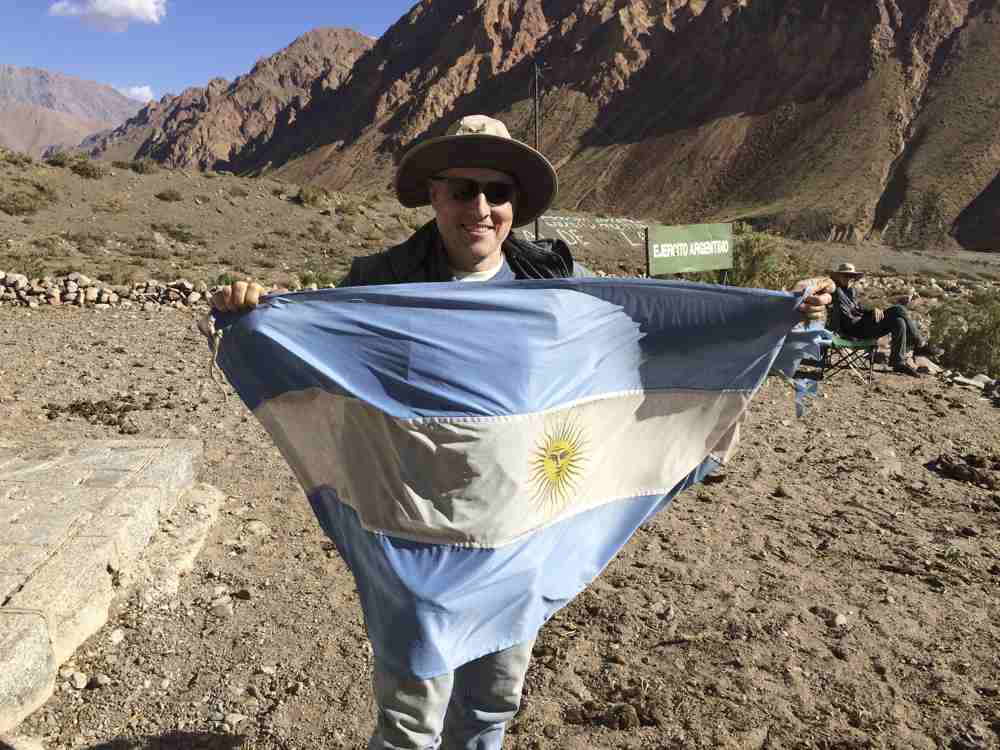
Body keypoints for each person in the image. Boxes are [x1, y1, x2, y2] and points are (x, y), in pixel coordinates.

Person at [212, 114, 834, 750]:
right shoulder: (379, 288)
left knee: (491, 705)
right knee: (410, 721)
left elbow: (650, 337)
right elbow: (321, 357)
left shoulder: (555, 285)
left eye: (497, 193)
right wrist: (254, 319)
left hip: (521, 536)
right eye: (462, 191)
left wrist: (783, 319)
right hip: (416, 538)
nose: (480, 209)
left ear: (515, 204)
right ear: (434, 196)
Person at [828, 261, 931, 377]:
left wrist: (873, 310)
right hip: (852, 329)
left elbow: (858, 309)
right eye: (845, 275)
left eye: (852, 276)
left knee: (899, 322)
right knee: (899, 309)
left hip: (862, 325)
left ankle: (898, 362)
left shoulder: (851, 291)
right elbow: (848, 315)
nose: (849, 278)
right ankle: (920, 344)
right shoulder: (835, 291)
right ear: (838, 276)